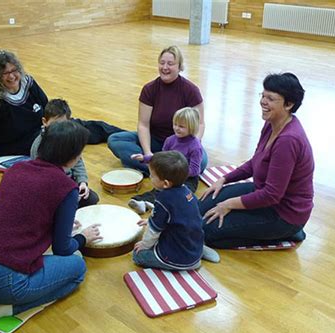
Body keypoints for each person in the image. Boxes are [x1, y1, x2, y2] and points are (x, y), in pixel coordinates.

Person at [0, 120, 102, 329]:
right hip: (2, 282)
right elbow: (62, 248)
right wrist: (83, 237)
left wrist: (58, 220)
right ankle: (2, 309)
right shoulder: (67, 187)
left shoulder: (17, 168)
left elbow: (18, 212)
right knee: (77, 268)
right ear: (74, 156)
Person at [199, 72, 314, 249]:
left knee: (207, 230)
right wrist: (224, 179)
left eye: (271, 98)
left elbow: (272, 195)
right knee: (202, 205)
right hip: (264, 193)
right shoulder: (272, 123)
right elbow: (256, 162)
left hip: (284, 214)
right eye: (263, 95)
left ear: (288, 104)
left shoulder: (288, 140)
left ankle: (289, 233)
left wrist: (228, 204)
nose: (263, 101)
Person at [0, 49, 125, 167]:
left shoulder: (28, 82)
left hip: (42, 126)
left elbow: (46, 105)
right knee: (58, 140)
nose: (12, 76)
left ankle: (128, 136)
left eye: (14, 70)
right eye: (5, 73)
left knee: (79, 125)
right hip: (15, 143)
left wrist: (59, 121)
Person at [107, 45, 208, 176]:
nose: (165, 67)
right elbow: (143, 125)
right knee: (115, 139)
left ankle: (155, 168)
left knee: (202, 162)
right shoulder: (149, 89)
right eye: (162, 63)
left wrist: (194, 144)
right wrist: (148, 151)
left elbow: (200, 124)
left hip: (182, 144)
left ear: (179, 67)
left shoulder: (191, 90)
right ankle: (166, 169)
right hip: (156, 141)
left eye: (170, 64)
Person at [132, 151, 219, 270]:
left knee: (138, 255)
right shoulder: (187, 192)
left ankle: (188, 262)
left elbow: (154, 231)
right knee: (187, 229)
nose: (150, 177)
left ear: (166, 183)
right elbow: (180, 217)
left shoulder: (164, 200)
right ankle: (197, 251)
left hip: (177, 258)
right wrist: (151, 220)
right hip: (193, 244)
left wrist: (145, 245)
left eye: (152, 176)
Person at [128, 107, 203, 214]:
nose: (176, 128)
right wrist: (144, 158)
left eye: (181, 126)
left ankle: (155, 206)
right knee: (158, 189)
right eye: (175, 124)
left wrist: (176, 174)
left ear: (191, 127)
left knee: (181, 196)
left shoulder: (195, 146)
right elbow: (161, 158)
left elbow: (195, 170)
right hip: (169, 175)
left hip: (187, 179)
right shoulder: (170, 140)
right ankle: (142, 203)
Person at [30, 98, 99, 208]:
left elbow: (78, 162)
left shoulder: (69, 138)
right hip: (50, 188)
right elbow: (43, 179)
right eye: (55, 124)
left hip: (68, 182)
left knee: (92, 198)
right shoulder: (39, 146)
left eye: (63, 124)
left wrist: (82, 182)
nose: (59, 129)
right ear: (45, 122)